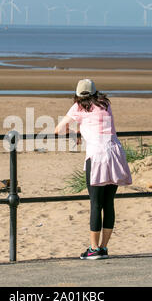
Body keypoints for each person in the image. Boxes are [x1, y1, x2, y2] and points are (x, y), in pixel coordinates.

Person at [54, 79, 132, 260]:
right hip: (115, 152)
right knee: (109, 203)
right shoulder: (105, 104)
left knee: (95, 204)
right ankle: (104, 247)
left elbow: (58, 129)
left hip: (97, 156)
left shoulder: (78, 108)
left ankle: (93, 248)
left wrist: (75, 132)